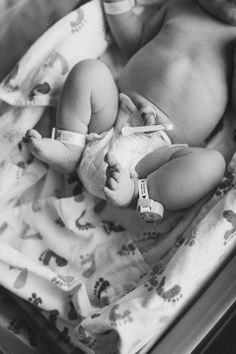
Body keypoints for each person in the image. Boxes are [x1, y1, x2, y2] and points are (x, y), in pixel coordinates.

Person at [24, 0, 236, 222]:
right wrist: (117, 6)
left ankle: (138, 193)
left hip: (158, 157)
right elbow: (136, 40)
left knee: (212, 164)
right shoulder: (181, 7)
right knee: (89, 71)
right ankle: (70, 147)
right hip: (111, 118)